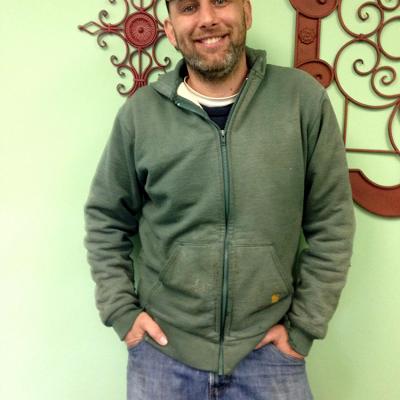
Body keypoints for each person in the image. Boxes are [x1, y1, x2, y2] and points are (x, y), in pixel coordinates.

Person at [83, 0, 355, 398]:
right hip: (162, 355)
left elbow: (332, 222)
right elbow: (106, 219)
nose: (208, 18)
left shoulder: (302, 101)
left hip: (270, 357)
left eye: (221, 1)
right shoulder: (141, 114)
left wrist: (303, 329)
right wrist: (123, 314)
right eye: (189, 7)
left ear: (247, 12)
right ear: (171, 29)